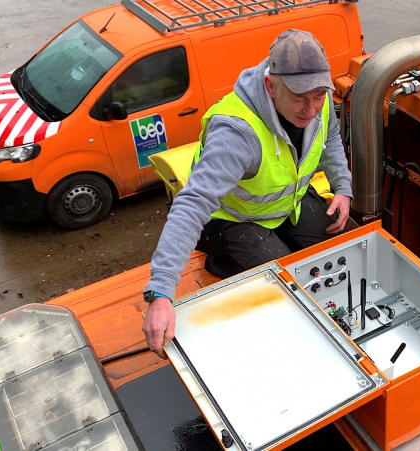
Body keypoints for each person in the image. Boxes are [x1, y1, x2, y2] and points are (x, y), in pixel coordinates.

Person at [141, 30, 352, 358]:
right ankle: (222, 261)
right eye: (299, 98)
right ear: (271, 85)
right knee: (282, 285)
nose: (311, 110)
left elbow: (332, 137)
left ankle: (270, 245)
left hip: (283, 206)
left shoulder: (318, 101)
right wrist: (161, 292)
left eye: (318, 97)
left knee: (344, 243)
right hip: (228, 219)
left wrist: (343, 187)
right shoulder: (238, 131)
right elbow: (193, 204)